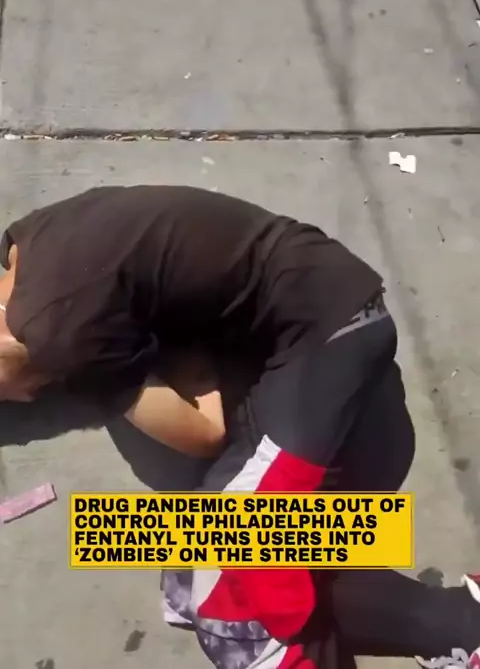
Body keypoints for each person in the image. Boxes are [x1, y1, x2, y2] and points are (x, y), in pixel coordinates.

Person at [0, 184, 479, 669]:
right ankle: (462, 624)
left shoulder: (62, 334)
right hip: (313, 332)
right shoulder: (27, 247)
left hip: (327, 334)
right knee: (191, 572)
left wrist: (102, 375)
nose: (24, 398)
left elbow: (205, 432)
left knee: (235, 601)